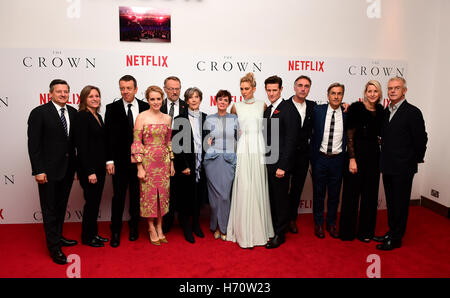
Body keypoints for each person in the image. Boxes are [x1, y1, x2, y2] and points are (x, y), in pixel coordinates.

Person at [27, 79, 78, 265]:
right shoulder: (39, 113)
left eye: (66, 91)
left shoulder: (73, 112)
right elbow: (34, 145)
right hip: (47, 171)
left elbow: (73, 144)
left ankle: (58, 237)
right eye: (59, 91)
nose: (63, 94)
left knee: (61, 207)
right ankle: (54, 248)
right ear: (51, 93)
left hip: (67, 170)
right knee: (49, 209)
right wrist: (38, 170)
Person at [374, 77, 427, 250]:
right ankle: (392, 231)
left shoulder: (412, 112)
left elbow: (421, 139)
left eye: (397, 88)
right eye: (390, 88)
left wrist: (414, 159)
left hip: (403, 167)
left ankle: (396, 238)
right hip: (388, 165)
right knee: (391, 202)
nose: (392, 91)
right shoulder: (387, 111)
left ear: (404, 90)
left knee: (401, 203)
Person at [227, 73, 274, 248]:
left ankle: (258, 229)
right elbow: (230, 128)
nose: (244, 92)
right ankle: (243, 231)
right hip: (243, 147)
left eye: (247, 89)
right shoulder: (235, 106)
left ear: (254, 89)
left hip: (259, 147)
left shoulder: (263, 105)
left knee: (257, 186)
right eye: (241, 89)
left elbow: (270, 128)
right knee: (244, 186)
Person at [104, 75, 149, 247]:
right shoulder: (112, 108)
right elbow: (107, 137)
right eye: (122, 88)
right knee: (119, 197)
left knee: (137, 196)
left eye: (129, 88)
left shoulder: (145, 107)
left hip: (141, 161)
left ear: (136, 89)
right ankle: (115, 230)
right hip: (120, 162)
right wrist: (109, 160)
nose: (125, 91)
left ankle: (134, 227)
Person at [339, 80, 384, 242]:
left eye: (375, 91)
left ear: (379, 94)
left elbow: (381, 135)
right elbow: (350, 135)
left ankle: (366, 232)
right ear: (365, 92)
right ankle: (347, 232)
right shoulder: (356, 108)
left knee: (370, 196)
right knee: (351, 195)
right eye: (369, 90)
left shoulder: (380, 110)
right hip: (356, 155)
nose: (372, 94)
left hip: (374, 156)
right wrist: (352, 159)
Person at [131, 86, 175, 245]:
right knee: (149, 197)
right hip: (147, 163)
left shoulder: (167, 118)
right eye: (152, 99)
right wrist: (139, 167)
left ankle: (160, 226)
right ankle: (150, 227)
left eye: (158, 99)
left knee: (162, 197)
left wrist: (171, 163)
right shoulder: (141, 117)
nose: (156, 102)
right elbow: (136, 143)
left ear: (162, 99)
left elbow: (168, 142)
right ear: (148, 100)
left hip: (163, 162)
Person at [263, 76, 301, 249]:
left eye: (274, 90)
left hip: (279, 165)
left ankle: (280, 234)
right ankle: (273, 230)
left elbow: (292, 141)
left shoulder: (289, 109)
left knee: (280, 200)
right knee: (272, 198)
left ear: (281, 90)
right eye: (269, 90)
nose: (271, 93)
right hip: (268, 162)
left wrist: (283, 166)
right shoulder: (268, 110)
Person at [310, 83, 347, 239]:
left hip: (338, 160)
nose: (336, 96)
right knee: (318, 194)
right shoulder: (318, 111)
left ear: (342, 96)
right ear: (328, 95)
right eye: (333, 93)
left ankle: (331, 223)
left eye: (339, 93)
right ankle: (318, 224)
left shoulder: (347, 114)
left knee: (334, 195)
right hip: (320, 159)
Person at [172, 87, 208, 243]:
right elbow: (176, 145)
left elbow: (210, 138)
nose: (194, 100)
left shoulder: (206, 118)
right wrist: (183, 166)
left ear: (200, 99)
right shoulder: (180, 118)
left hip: (202, 164)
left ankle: (196, 225)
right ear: (186, 101)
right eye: (190, 97)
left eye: (197, 97)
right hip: (187, 164)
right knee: (186, 197)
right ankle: (186, 227)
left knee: (197, 196)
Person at [75, 85, 109, 247]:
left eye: (97, 95)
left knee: (95, 203)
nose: (95, 98)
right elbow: (82, 147)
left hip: (99, 168)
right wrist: (90, 171)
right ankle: (87, 237)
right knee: (91, 203)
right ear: (84, 99)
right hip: (89, 170)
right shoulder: (82, 116)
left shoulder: (98, 116)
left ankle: (93, 233)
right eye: (91, 96)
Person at [203, 90, 238, 241]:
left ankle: (223, 227)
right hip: (212, 160)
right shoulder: (209, 118)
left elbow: (240, 139)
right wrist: (207, 142)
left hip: (229, 159)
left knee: (224, 196)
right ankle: (215, 226)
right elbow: (204, 141)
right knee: (214, 196)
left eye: (225, 100)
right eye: (220, 99)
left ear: (229, 103)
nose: (222, 102)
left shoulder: (235, 118)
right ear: (215, 101)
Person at [285, 75, 317, 234]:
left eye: (306, 86)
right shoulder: (284, 105)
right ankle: (281, 220)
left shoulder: (313, 106)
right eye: (300, 85)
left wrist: (346, 106)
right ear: (294, 87)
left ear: (309, 89)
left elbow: (329, 112)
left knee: (297, 189)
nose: (303, 89)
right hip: (285, 156)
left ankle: (292, 219)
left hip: (303, 156)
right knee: (282, 190)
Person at [160, 76, 188, 234]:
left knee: (182, 191)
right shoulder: (158, 105)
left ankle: (184, 223)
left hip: (182, 157)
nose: (174, 91)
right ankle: (167, 222)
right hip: (162, 158)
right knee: (166, 192)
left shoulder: (187, 106)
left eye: (177, 88)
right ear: (164, 89)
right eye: (171, 88)